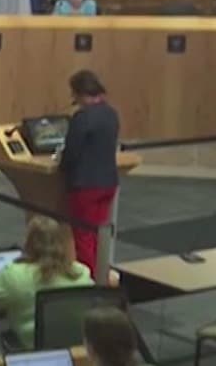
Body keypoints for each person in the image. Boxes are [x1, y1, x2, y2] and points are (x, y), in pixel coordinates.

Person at [0, 215, 94, 350]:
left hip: (33, 353)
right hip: (76, 352)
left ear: (28, 243)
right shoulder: (81, 273)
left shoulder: (14, 275)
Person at [61, 69, 120, 278]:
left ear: (79, 93)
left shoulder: (82, 117)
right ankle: (100, 276)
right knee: (98, 234)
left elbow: (71, 153)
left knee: (83, 236)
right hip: (108, 183)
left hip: (85, 186)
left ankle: (88, 281)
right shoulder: (111, 113)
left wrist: (61, 166)